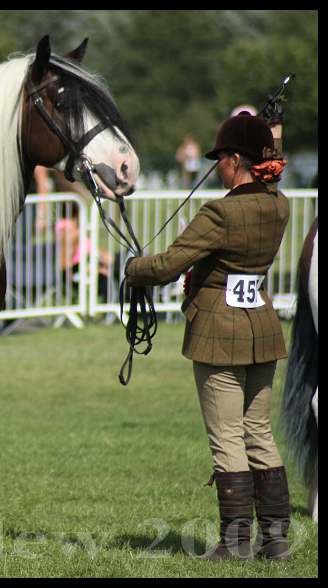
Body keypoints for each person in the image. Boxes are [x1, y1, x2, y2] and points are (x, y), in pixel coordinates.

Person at [125, 111, 291, 561]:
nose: (217, 165)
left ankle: (234, 544)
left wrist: (130, 268)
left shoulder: (220, 210)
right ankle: (275, 541)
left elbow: (166, 267)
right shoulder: (279, 204)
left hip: (220, 331)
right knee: (258, 431)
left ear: (236, 160)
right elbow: (269, 173)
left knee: (227, 439)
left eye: (222, 158)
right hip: (261, 325)